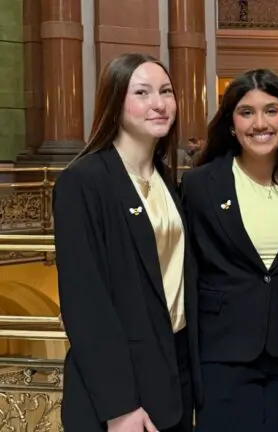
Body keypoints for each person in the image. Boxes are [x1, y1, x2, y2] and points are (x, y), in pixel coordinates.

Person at [53, 53, 202, 431]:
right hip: (121, 393)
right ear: (115, 103)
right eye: (142, 92)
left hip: (173, 376)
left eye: (166, 91)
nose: (159, 103)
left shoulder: (168, 181)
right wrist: (120, 406)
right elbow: (86, 303)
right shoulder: (83, 182)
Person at [180, 69, 278, 431]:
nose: (260, 123)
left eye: (271, 110)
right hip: (222, 351)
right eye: (246, 112)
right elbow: (189, 268)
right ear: (231, 123)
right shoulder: (200, 184)